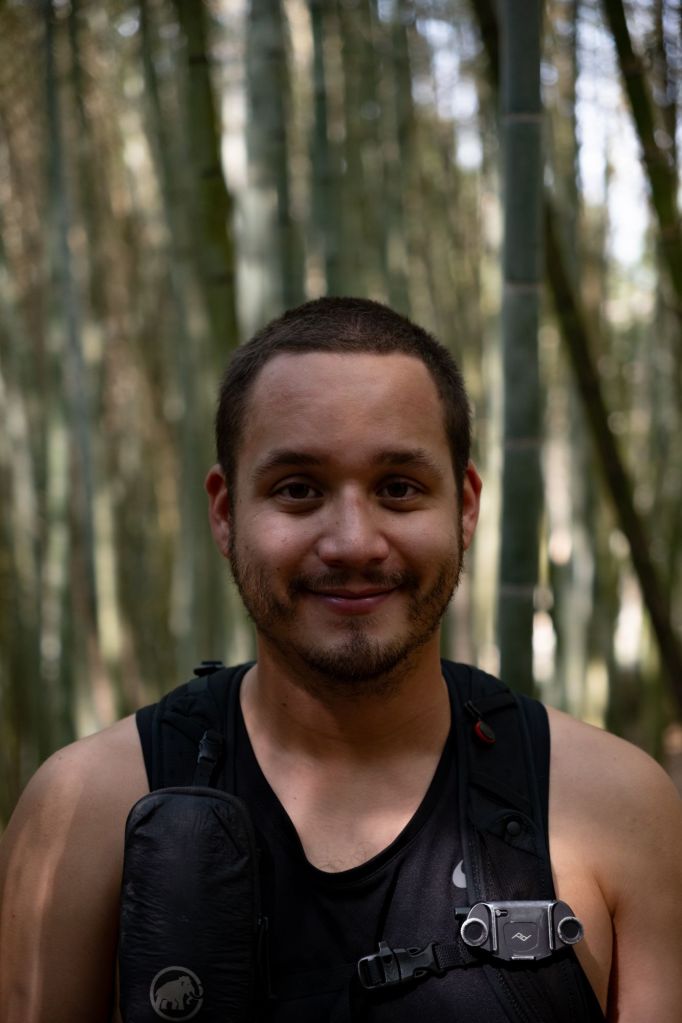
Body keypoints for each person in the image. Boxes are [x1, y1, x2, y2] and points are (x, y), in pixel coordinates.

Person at [0, 297, 680, 1023]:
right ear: (226, 513)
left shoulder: (617, 808)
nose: (354, 542)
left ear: (465, 507)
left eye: (399, 488)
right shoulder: (87, 810)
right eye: (298, 490)